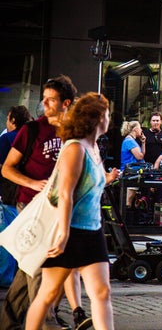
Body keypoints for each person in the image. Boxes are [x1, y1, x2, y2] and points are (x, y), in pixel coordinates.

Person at [0, 75, 91, 330]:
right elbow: (7, 168)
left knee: (28, 269)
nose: (45, 104)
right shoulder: (32, 130)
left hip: (60, 209)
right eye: (44, 99)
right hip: (30, 206)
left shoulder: (75, 133)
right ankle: (47, 324)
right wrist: (32, 184)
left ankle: (7, 322)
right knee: (41, 265)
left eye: (51, 100)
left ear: (66, 103)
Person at [25, 93, 120, 330]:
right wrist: (64, 233)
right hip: (69, 231)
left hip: (92, 231)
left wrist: (108, 179)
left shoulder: (94, 146)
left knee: (102, 292)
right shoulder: (75, 148)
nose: (110, 119)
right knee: (48, 294)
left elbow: (90, 187)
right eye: (107, 114)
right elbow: (65, 193)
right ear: (98, 118)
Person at [0, 105, 31, 206]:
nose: (6, 123)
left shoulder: (6, 138)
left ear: (13, 120)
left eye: (7, 119)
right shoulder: (32, 137)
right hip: (28, 191)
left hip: (9, 192)